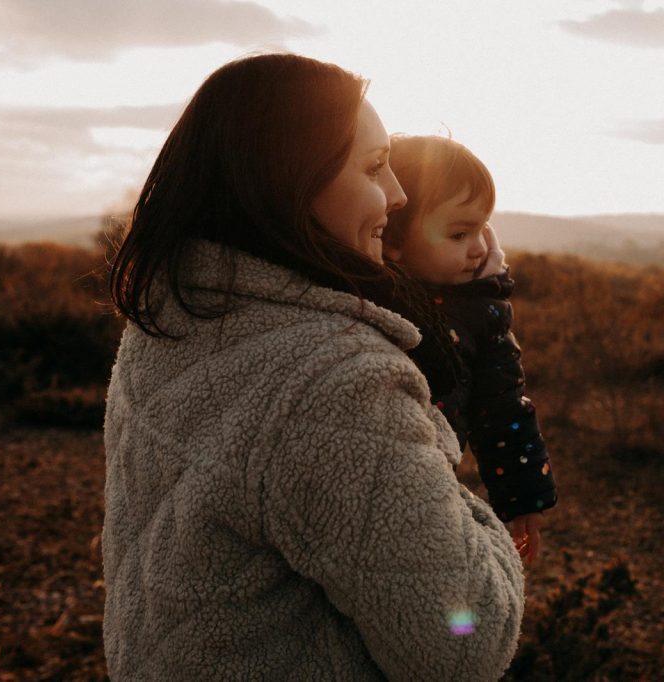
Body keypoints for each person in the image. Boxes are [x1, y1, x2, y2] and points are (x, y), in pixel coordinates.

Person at [102, 54, 524, 681]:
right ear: (290, 181)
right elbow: (465, 645)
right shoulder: (335, 381)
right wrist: (468, 505)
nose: (399, 194)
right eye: (374, 168)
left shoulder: (173, 316)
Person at [381, 135, 558, 564]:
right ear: (393, 238)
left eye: (482, 228)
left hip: (436, 478)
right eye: (460, 233)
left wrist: (522, 500)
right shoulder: (368, 298)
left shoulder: (483, 310)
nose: (479, 247)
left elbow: (504, 410)